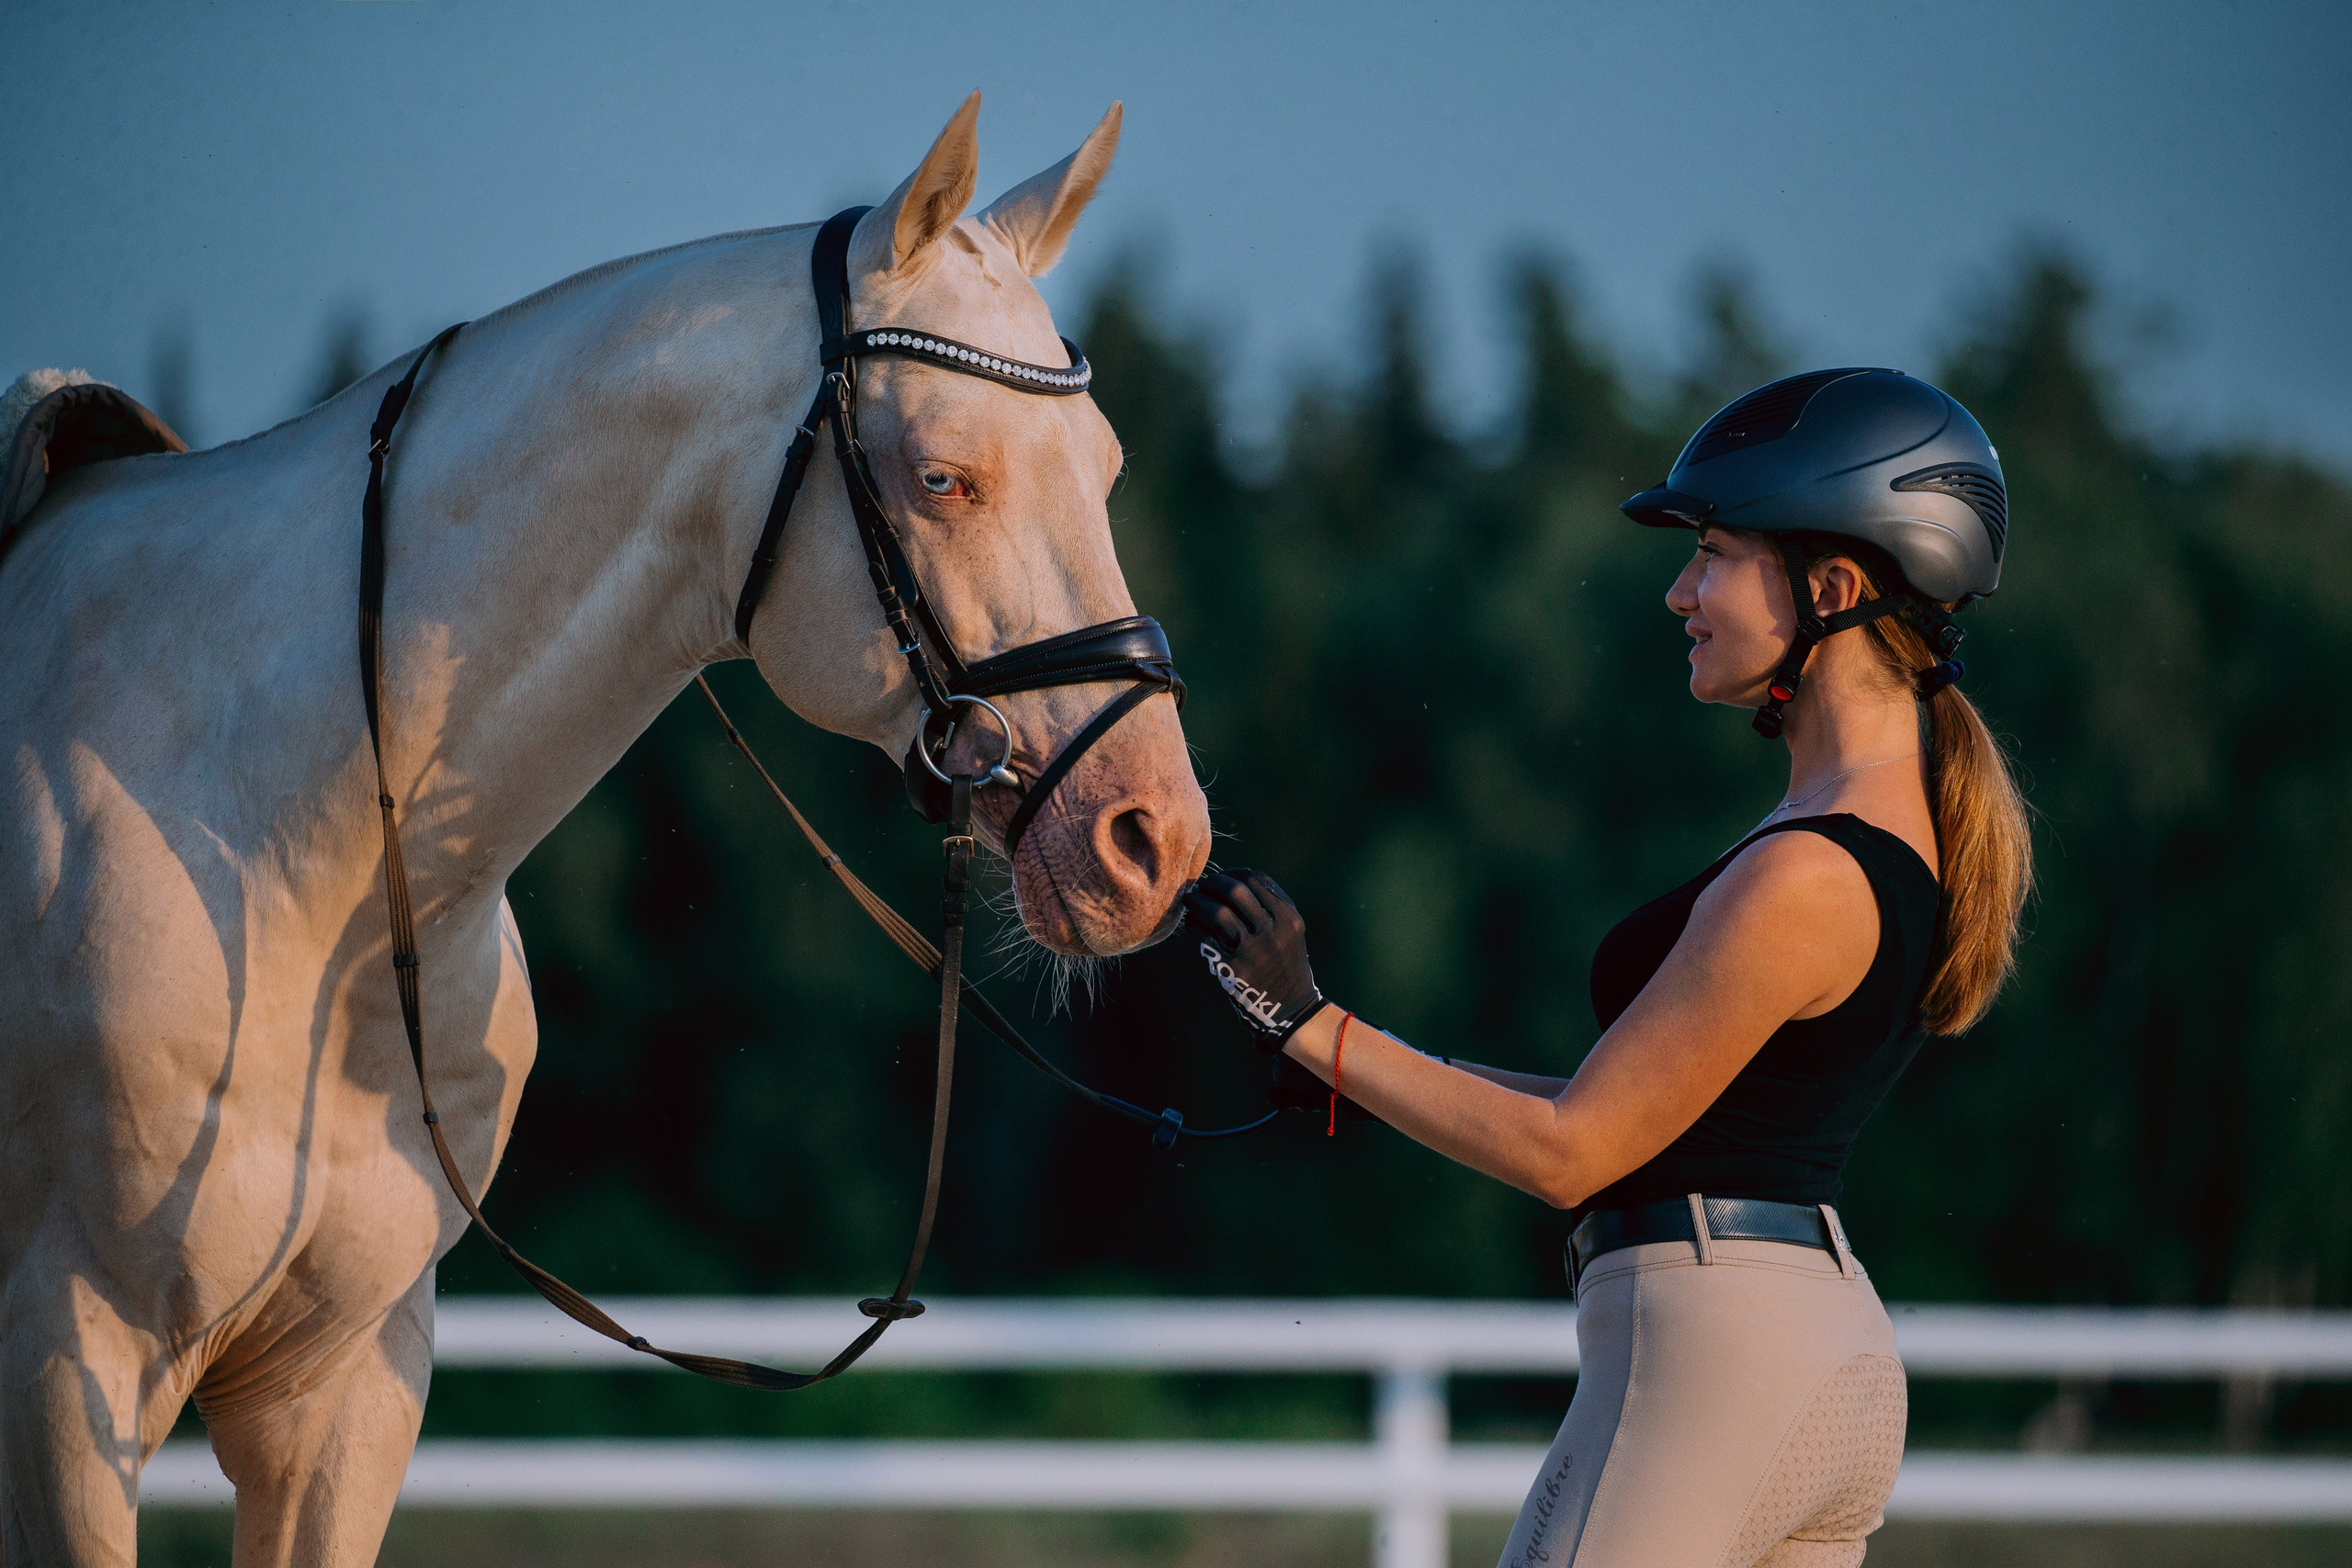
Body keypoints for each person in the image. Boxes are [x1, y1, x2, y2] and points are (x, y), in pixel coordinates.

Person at [1184, 367, 2033, 1567]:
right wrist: (1332, 1047)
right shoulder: (1873, 837)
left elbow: (1574, 1150)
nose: (1682, 592)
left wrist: (1308, 1029)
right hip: (1803, 1350)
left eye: (1714, 556)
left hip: (1708, 1363)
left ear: (1833, 587)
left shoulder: (1808, 873)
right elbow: (1620, 1115)